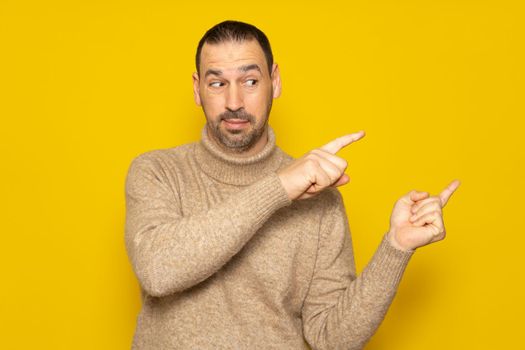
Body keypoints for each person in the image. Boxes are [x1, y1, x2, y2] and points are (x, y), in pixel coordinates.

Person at [124, 20, 460, 350]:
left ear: (275, 81)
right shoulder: (157, 172)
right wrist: (279, 188)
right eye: (217, 84)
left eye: (250, 81)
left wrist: (396, 248)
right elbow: (158, 271)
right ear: (197, 89)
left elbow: (332, 338)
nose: (234, 101)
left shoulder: (318, 200)